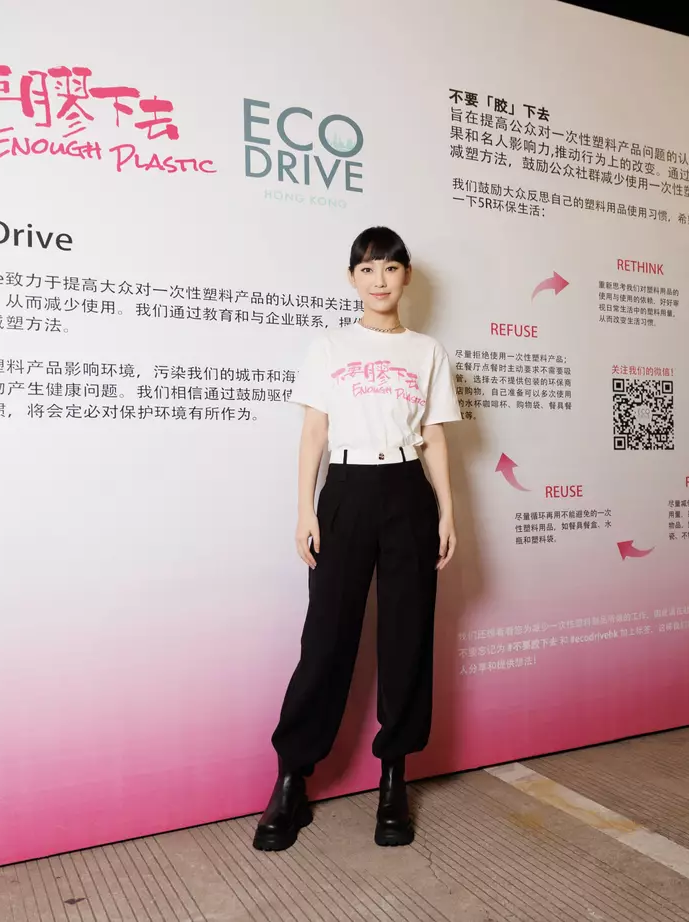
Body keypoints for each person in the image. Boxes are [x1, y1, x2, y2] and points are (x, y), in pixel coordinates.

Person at [253, 226, 462, 852]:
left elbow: (436, 437)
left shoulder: (427, 351)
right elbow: (314, 434)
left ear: (406, 277)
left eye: (390, 268)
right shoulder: (329, 346)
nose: (379, 280)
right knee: (326, 638)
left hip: (407, 491)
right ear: (352, 278)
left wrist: (447, 513)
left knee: (407, 637)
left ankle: (394, 777)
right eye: (367, 269)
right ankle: (291, 778)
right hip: (344, 490)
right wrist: (305, 510)